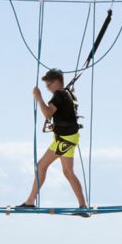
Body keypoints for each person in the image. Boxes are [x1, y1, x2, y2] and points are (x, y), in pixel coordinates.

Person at [19, 68, 90, 216]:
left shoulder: (59, 94)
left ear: (56, 82)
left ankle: (30, 202)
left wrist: (38, 98)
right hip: (67, 138)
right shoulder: (68, 93)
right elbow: (66, 116)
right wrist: (56, 125)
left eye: (48, 85)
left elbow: (47, 113)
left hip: (64, 139)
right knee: (68, 172)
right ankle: (83, 206)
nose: (47, 88)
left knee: (41, 166)